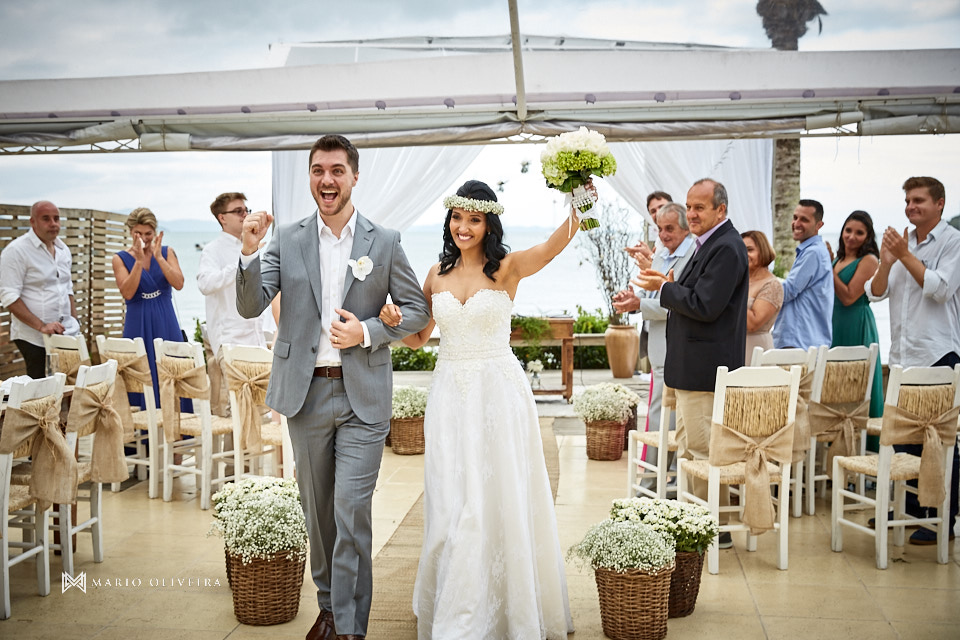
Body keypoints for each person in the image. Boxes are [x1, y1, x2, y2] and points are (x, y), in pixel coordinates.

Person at [235, 134, 430, 640]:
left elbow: (417, 312)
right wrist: (249, 250)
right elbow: (250, 304)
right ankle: (328, 605)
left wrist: (366, 331)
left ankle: (348, 626)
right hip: (305, 395)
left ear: (354, 177)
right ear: (310, 177)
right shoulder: (287, 239)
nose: (327, 179)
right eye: (319, 170)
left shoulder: (383, 241)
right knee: (318, 514)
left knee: (350, 510)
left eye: (337, 170)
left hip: (362, 396)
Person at [379, 179, 578, 639]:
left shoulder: (507, 268)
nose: (463, 227)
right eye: (457, 218)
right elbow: (418, 338)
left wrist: (579, 202)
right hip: (450, 393)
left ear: (489, 224)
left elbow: (551, 248)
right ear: (449, 221)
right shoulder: (435, 275)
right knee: (452, 497)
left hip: (499, 393)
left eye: (474, 219)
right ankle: (456, 601)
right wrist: (392, 323)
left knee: (499, 492)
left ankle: (505, 608)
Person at [634, 178, 749, 549]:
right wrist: (665, 282)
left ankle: (714, 530)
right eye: (690, 206)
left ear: (721, 210)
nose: (693, 214)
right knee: (687, 450)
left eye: (700, 207)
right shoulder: (708, 245)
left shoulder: (727, 247)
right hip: (690, 368)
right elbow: (693, 294)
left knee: (703, 453)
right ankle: (693, 520)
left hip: (706, 370)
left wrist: (665, 288)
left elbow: (705, 304)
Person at [866, 176, 960, 546]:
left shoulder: (953, 243)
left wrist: (905, 255)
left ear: (939, 204)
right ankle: (905, 509)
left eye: (918, 200)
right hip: (902, 358)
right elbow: (875, 292)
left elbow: (939, 290)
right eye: (907, 201)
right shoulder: (902, 245)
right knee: (905, 442)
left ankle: (939, 517)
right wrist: (888, 261)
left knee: (937, 442)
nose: (910, 207)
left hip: (937, 355)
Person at [613, 202, 694, 490]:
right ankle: (654, 478)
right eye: (660, 228)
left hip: (675, 347)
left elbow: (678, 303)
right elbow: (651, 295)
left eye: (669, 228)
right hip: (660, 349)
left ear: (686, 227)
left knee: (665, 417)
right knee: (659, 414)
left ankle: (656, 483)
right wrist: (632, 300)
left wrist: (641, 304)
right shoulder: (662, 255)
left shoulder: (691, 256)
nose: (662, 235)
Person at [111, 207, 190, 410]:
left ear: (155, 232)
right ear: (130, 232)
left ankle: (179, 431)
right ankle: (142, 435)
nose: (144, 238)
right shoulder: (120, 258)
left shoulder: (167, 252)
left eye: (148, 233)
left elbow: (179, 283)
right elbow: (127, 292)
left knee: (173, 369)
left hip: (166, 321)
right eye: (139, 234)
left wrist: (159, 258)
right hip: (137, 323)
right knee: (139, 375)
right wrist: (138, 263)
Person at [197, 192, 266, 416]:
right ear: (222, 218)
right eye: (238, 211)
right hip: (230, 342)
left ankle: (252, 453)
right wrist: (242, 261)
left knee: (258, 410)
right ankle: (236, 453)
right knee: (233, 412)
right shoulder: (212, 250)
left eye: (246, 210)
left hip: (255, 339)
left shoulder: (253, 245)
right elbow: (205, 284)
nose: (245, 215)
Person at [0, 200, 80, 378]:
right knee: (39, 388)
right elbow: (9, 296)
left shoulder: (63, 250)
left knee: (70, 381)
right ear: (32, 222)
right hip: (32, 336)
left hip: (65, 332)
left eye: (56, 219)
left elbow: (67, 288)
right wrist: (42, 326)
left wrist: (75, 321)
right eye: (46, 219)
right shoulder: (16, 251)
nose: (53, 224)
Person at [828, 210, 883, 418]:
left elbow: (849, 296)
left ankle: (863, 440)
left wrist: (828, 266)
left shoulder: (869, 260)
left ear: (868, 237)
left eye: (859, 233)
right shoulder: (839, 258)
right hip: (835, 322)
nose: (851, 236)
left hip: (855, 322)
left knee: (856, 382)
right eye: (848, 230)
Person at [772, 199, 834, 349]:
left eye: (804, 219)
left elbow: (787, 291)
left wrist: (760, 280)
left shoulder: (813, 252)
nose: (796, 223)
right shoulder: (814, 250)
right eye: (795, 217)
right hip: (805, 342)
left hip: (799, 343)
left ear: (819, 225)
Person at [741, 230, 783, 361]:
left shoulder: (772, 285)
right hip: (733, 348)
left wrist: (731, 293)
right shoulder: (738, 281)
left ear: (763, 251)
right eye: (741, 249)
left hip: (756, 351)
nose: (744, 254)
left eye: (750, 250)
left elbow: (753, 323)